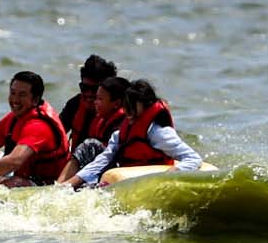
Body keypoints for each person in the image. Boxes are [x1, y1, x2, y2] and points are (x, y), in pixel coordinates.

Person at [61, 78, 201, 188]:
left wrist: (173, 172)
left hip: (154, 182)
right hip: (129, 182)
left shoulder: (159, 133)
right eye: (127, 105)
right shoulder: (120, 134)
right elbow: (102, 160)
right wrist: (73, 182)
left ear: (146, 106)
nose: (128, 110)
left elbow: (193, 158)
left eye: (133, 105)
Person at [54, 74, 132, 185]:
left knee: (89, 146)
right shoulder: (100, 120)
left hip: (119, 171)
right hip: (101, 169)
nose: (95, 102)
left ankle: (60, 185)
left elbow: (108, 157)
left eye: (100, 99)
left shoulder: (123, 126)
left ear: (117, 104)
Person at [56, 54, 119, 156]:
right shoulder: (75, 104)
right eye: (84, 88)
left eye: (95, 89)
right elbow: (55, 133)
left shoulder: (120, 116)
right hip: (75, 164)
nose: (89, 94)